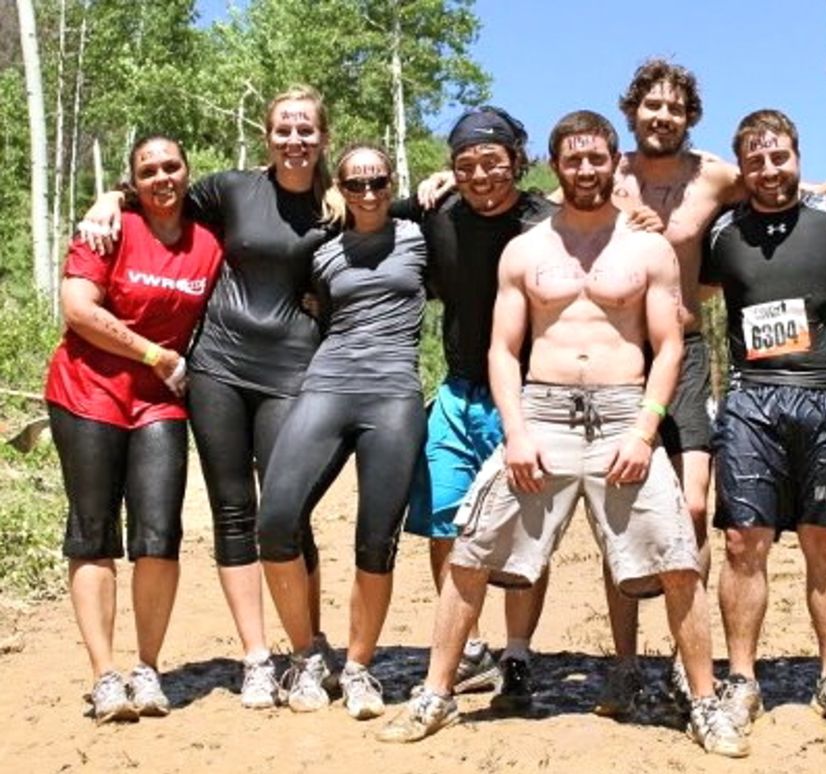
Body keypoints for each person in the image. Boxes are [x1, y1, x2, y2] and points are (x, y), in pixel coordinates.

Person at [377, 110, 747, 758]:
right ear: (555, 166)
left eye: (596, 158)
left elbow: (668, 349)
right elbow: (500, 348)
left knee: (680, 561)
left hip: (622, 416)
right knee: (470, 551)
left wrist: (644, 432)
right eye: (572, 159)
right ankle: (436, 692)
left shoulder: (647, 247)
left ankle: (706, 702)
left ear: (614, 163)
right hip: (542, 417)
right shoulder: (528, 249)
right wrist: (516, 433)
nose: (585, 169)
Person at [596, 57, 826, 713]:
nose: (768, 170)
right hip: (635, 364)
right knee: (654, 521)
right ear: (632, 110)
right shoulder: (609, 174)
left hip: (765, 378)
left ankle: (801, 674)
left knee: (750, 525)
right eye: (650, 105)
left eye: (780, 158)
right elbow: (534, 212)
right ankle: (662, 670)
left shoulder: (739, 184)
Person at [78, 86, 336, 709]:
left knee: (286, 511)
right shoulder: (231, 190)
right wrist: (104, 199)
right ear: (267, 135)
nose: (294, 139)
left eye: (306, 130)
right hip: (217, 368)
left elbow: (391, 215)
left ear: (322, 137)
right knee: (232, 511)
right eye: (283, 129)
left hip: (289, 371)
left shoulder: (339, 203)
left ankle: (307, 650)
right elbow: (153, 193)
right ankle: (255, 657)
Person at [702, 109, 826, 737]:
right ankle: (743, 680)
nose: (769, 170)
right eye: (756, 161)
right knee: (743, 544)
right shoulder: (721, 233)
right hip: (752, 403)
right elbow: (679, 291)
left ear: (798, 156)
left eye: (780, 158)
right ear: (741, 168)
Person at [45, 135, 223, 722]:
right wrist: (154, 354)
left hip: (158, 403)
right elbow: (78, 309)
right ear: (134, 181)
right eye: (147, 170)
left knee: (158, 534)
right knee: (93, 530)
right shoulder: (110, 229)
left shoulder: (209, 239)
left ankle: (148, 668)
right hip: (87, 392)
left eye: (172, 166)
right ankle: (104, 675)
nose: (162, 178)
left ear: (187, 171)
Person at [256, 144, 427, 719]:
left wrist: (451, 174)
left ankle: (358, 668)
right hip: (327, 387)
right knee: (276, 520)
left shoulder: (419, 236)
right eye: (355, 184)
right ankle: (306, 656)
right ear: (341, 191)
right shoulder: (321, 249)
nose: (369, 192)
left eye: (378, 181)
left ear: (392, 181)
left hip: (394, 398)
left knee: (375, 541)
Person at [402, 107, 558, 709]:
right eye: (465, 164)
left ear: (517, 161)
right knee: (444, 520)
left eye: (493, 161)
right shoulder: (437, 214)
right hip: (458, 391)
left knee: (524, 535)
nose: (481, 175)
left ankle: (516, 654)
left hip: (529, 399)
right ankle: (464, 650)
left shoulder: (549, 221)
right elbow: (348, 207)